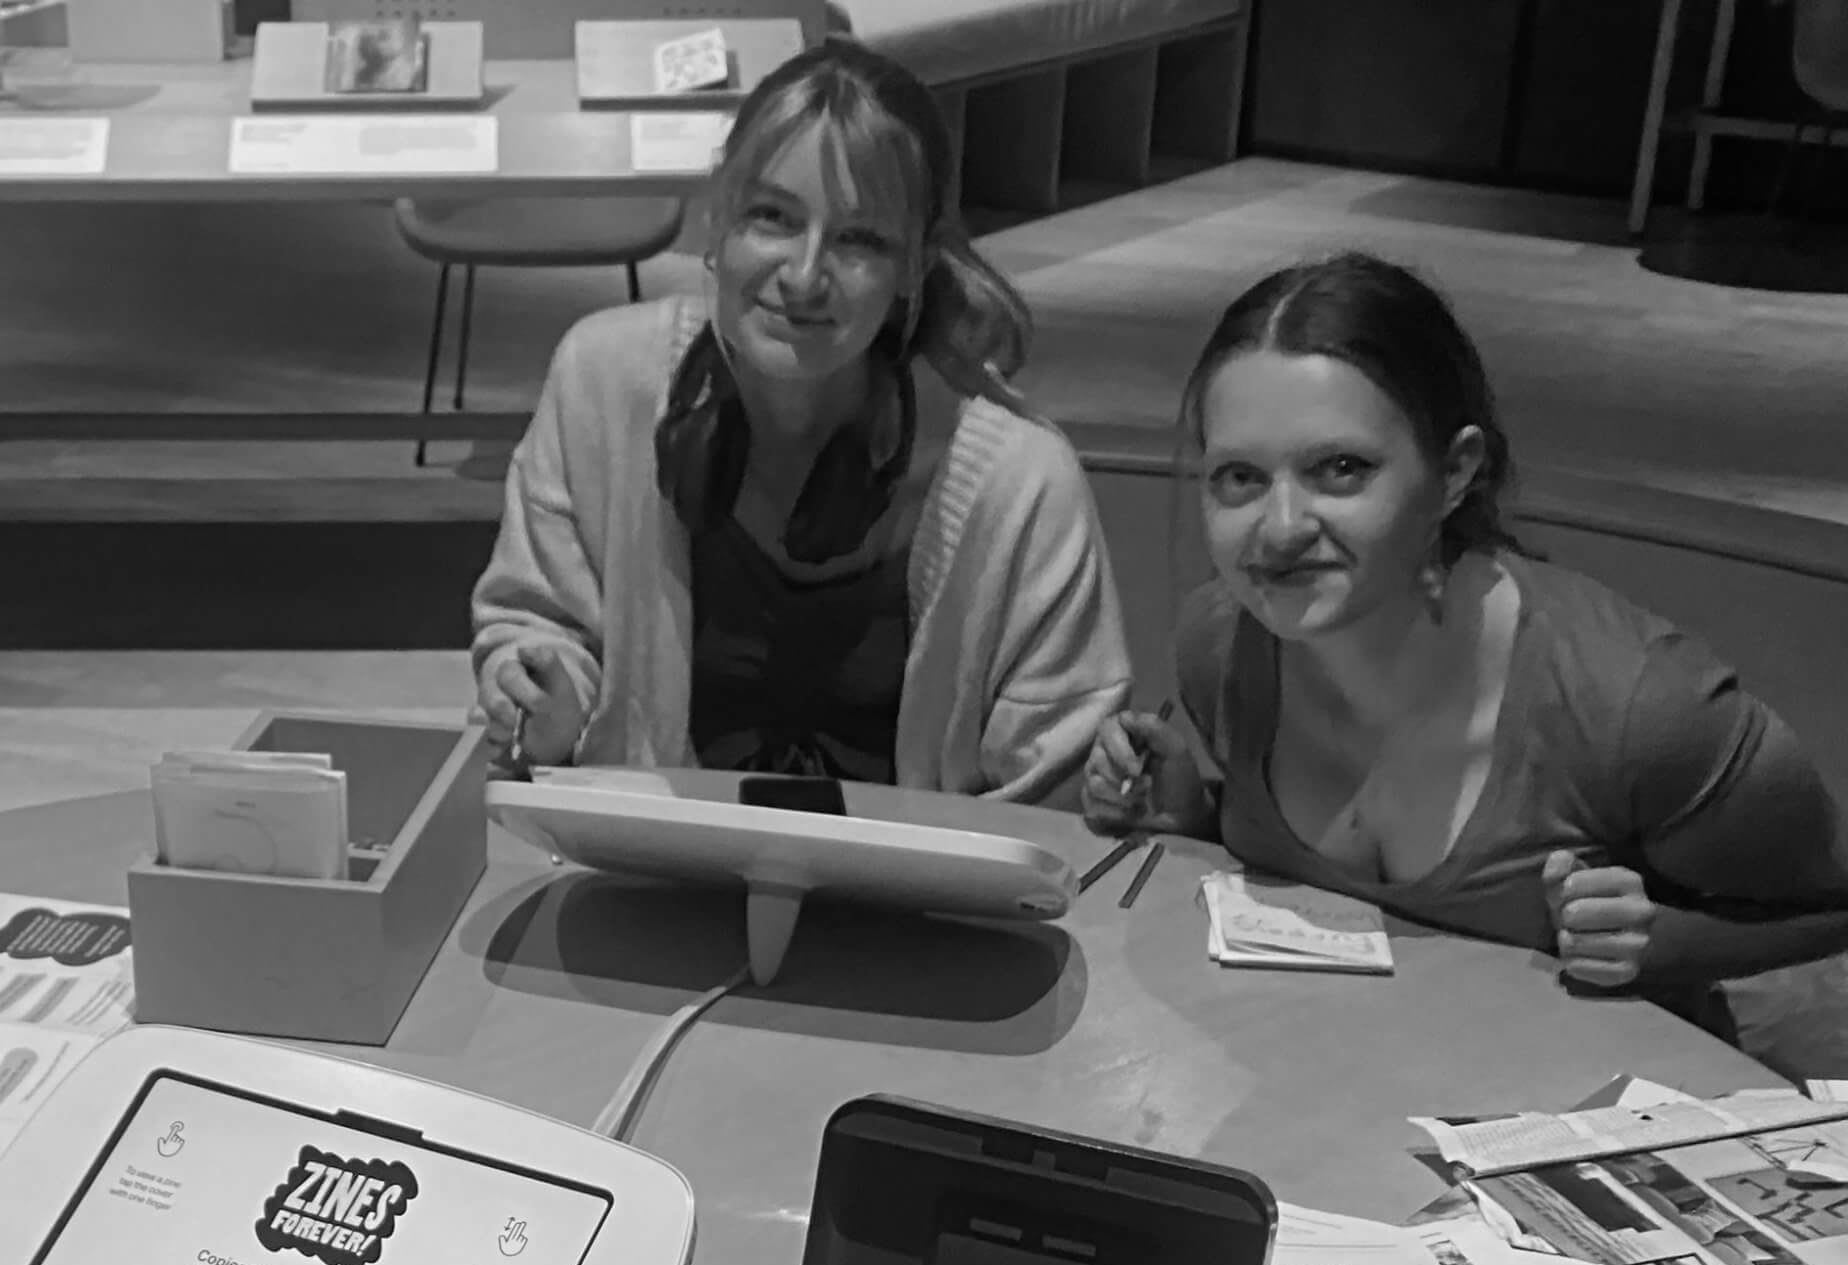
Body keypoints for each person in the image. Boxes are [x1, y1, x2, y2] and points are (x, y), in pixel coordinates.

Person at [1084, 251, 1848, 999]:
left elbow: (1830, 915)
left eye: (1341, 469)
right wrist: (1194, 816)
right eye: (1241, 478)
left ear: (1454, 473)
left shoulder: (1638, 705)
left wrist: (1672, 946)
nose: (1279, 528)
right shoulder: (1220, 645)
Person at [471, 38, 1130, 804]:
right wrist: (543, 697)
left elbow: (1058, 793)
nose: (805, 274)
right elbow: (539, 629)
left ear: (916, 264)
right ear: (719, 222)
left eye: (858, 239)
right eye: (773, 217)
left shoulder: (1020, 484)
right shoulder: (602, 381)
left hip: (911, 908)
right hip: (649, 876)